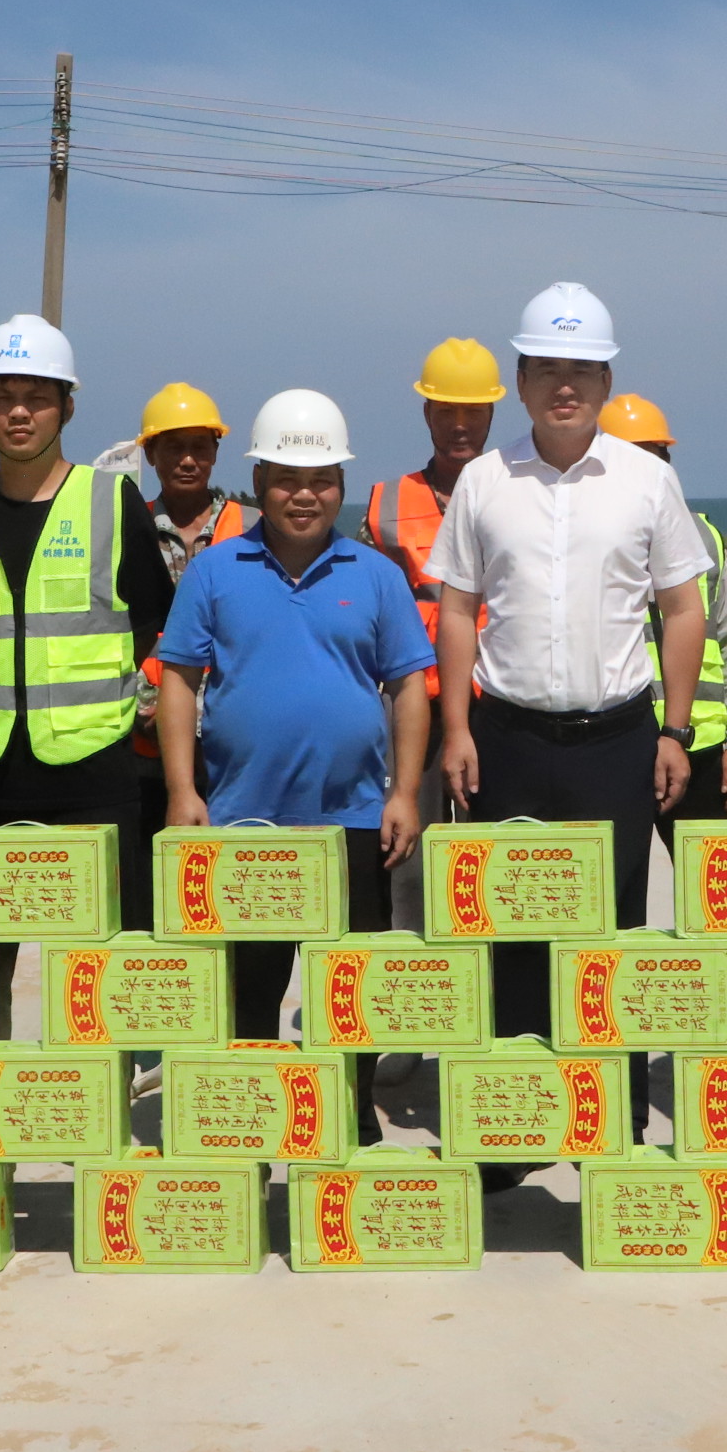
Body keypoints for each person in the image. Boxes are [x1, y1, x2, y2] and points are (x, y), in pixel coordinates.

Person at [428, 283, 709, 1175]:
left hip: (616, 742)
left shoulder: (646, 480)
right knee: (511, 937)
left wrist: (674, 730)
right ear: (520, 380)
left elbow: (683, 608)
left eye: (582, 370)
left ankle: (609, 1129)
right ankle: (517, 1130)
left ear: (605, 380)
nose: (565, 386)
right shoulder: (484, 481)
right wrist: (457, 727)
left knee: (609, 941)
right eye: (547, 368)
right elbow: (458, 609)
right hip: (507, 740)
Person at [156, 390, 435, 1147]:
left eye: (320, 481)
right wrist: (183, 791)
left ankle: (350, 1122)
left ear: (341, 485)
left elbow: (410, 686)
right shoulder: (216, 572)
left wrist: (406, 793)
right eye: (286, 479)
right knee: (251, 991)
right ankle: (252, 1127)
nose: (303, 495)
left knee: (351, 991)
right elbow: (178, 678)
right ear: (260, 483)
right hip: (247, 822)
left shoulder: (375, 575)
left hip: (353, 820)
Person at [0, 315, 178, 1032]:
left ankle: (99, 1096)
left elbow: (149, 620)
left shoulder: (111, 502)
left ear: (66, 406)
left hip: (89, 773)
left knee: (96, 981)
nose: (19, 412)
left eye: (37, 397)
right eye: (2, 396)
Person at [131, 381, 247, 936]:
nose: (187, 459)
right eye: (173, 447)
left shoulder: (252, 527)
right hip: (142, 732)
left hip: (230, 736)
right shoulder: (127, 527)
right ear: (150, 453)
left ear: (216, 452)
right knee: (150, 896)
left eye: (200, 446)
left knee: (223, 894)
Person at [600, 392, 727, 812]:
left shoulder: (704, 538)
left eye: (654, 458)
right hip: (615, 738)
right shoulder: (585, 540)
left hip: (699, 743)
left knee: (703, 858)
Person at [365, 339, 502, 701]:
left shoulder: (522, 497)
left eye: (472, 412)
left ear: (491, 413)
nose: (460, 426)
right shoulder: (387, 504)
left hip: (504, 700)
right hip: (418, 698)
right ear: (427, 414)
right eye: (446, 412)